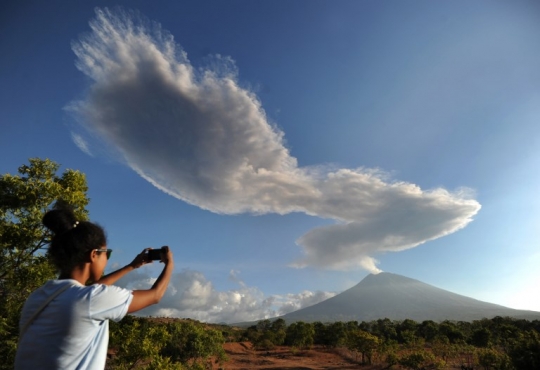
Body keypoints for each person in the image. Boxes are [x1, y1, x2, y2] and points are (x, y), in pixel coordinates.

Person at [14, 204, 174, 369]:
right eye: (107, 253)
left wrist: (131, 266)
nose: (107, 259)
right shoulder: (90, 300)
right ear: (93, 255)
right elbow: (155, 295)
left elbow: (88, 293)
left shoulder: (38, 297)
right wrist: (169, 264)